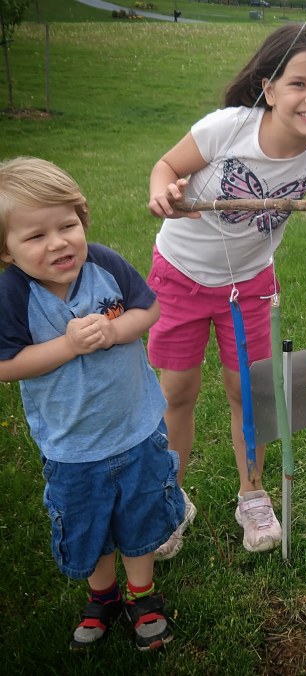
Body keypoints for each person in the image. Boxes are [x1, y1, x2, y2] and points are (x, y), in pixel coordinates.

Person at [148, 23, 306, 557]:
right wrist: (164, 191)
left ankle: (252, 495)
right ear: (269, 90)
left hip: (250, 284)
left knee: (249, 391)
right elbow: (167, 166)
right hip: (180, 275)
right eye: (299, 83)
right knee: (177, 391)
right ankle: (169, 498)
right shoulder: (227, 128)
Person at [0, 157, 185, 650]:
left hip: (137, 430)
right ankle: (102, 596)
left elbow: (149, 309)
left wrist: (114, 331)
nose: (58, 243)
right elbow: (7, 363)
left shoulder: (104, 265)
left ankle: (142, 594)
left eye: (67, 225)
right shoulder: (13, 294)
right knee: (90, 528)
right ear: (6, 250)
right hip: (73, 448)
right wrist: (67, 346)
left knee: (141, 518)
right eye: (36, 236)